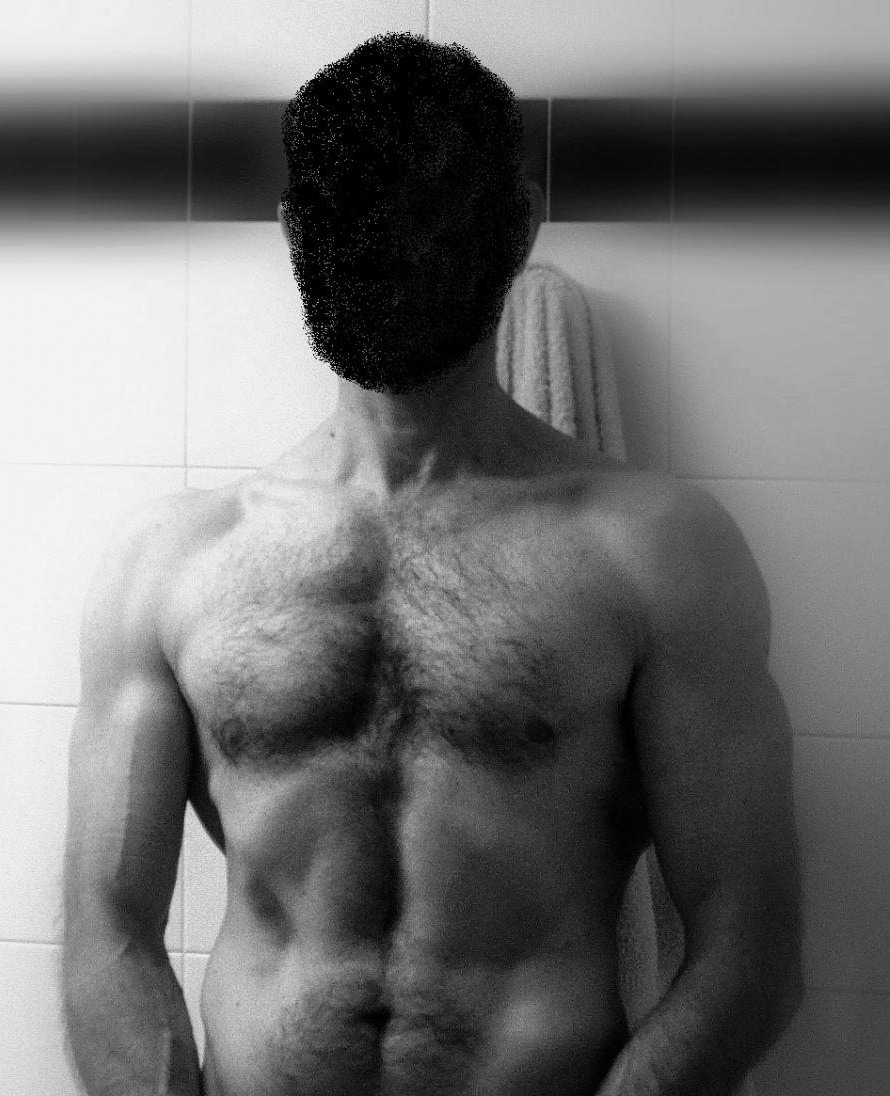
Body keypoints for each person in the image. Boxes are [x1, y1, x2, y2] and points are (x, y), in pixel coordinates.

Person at [59, 30, 805, 1096]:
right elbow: (109, 929)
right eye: (352, 221)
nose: (392, 253)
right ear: (296, 231)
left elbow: (749, 941)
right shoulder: (172, 562)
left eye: (430, 218)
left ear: (519, 225)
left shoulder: (652, 551)